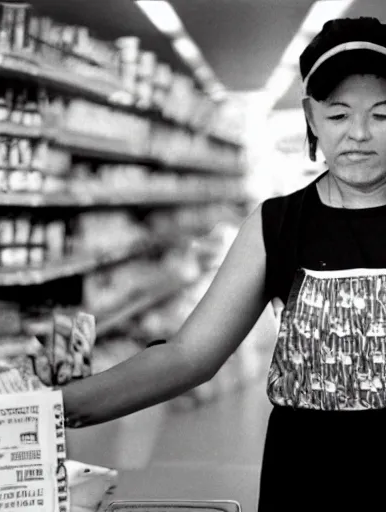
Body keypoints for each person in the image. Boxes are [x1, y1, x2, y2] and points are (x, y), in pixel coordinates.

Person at [63, 16, 386, 511]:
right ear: (311, 117)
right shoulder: (277, 225)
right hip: (307, 480)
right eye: (339, 115)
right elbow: (188, 356)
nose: (359, 134)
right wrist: (61, 405)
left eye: (382, 114)